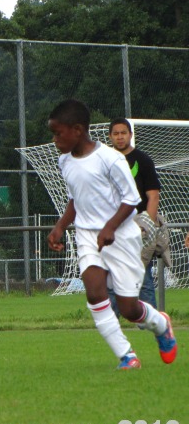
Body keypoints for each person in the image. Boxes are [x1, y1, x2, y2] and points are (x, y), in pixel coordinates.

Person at [47, 99, 177, 369]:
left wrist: (109, 228)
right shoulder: (64, 161)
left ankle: (161, 325)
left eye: (58, 133)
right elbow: (75, 200)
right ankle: (127, 356)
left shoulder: (110, 159)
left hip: (121, 236)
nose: (54, 139)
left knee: (130, 308)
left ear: (78, 130)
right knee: (94, 294)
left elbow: (131, 199)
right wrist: (60, 227)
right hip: (87, 236)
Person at [108, 117, 168, 311]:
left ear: (130, 135)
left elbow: (153, 196)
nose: (119, 137)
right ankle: (112, 322)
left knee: (143, 277)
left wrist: (146, 225)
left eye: (123, 133)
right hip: (112, 225)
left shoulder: (143, 160)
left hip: (137, 225)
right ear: (110, 136)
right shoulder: (104, 161)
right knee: (111, 278)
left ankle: (150, 322)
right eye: (115, 133)